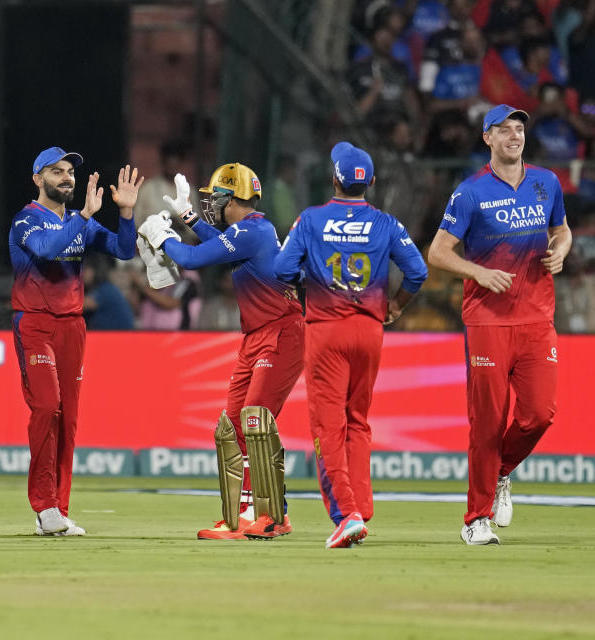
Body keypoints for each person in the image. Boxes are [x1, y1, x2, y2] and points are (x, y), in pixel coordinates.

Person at [270, 142, 428, 548]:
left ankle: (346, 514)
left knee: (328, 425)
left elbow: (282, 269)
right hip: (370, 332)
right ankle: (360, 506)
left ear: (334, 179)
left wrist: (312, 276)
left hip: (327, 331)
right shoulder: (387, 223)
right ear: (371, 182)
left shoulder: (310, 220)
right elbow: (417, 272)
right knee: (357, 420)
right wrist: (395, 306)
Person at [428, 104, 572, 545]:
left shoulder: (547, 182)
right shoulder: (470, 193)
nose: (515, 136)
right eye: (504, 130)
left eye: (519, 129)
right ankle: (475, 520)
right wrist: (477, 273)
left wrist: (561, 250)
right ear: (487, 138)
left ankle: (502, 471)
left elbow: (561, 230)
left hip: (536, 319)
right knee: (487, 422)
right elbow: (437, 252)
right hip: (488, 321)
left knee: (539, 415)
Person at [144, 164, 305, 541]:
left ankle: (270, 515)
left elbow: (193, 259)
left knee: (255, 423)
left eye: (216, 199)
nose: (211, 206)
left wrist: (162, 235)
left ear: (232, 199)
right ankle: (243, 514)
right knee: (233, 425)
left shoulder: (253, 231)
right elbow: (218, 242)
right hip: (257, 335)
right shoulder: (248, 231)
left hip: (280, 332)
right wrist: (186, 218)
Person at [9, 147, 143, 536]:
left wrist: (127, 213)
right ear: (38, 179)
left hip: (72, 326)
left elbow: (123, 249)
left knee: (68, 418)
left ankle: (59, 510)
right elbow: (49, 252)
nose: (66, 177)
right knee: (47, 406)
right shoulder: (25, 220)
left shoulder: (78, 222)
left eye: (69, 171)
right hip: (34, 324)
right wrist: (85, 215)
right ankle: (44, 505)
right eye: (56, 171)